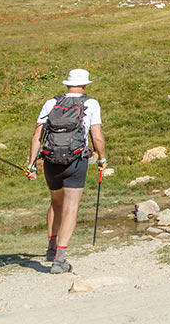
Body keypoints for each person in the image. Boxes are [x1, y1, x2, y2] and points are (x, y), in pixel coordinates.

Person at [25, 68, 107, 274]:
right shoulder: (91, 103)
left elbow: (37, 135)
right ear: (85, 85)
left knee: (56, 202)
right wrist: (102, 158)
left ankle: (51, 248)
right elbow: (96, 136)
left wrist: (31, 164)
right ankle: (60, 259)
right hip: (76, 160)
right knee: (71, 206)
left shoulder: (51, 102)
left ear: (67, 84)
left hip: (51, 160)